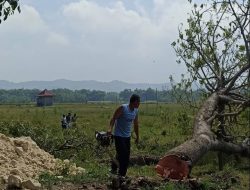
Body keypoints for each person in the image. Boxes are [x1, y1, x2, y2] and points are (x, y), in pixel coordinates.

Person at [107, 94, 140, 177]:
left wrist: (137, 137)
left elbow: (136, 124)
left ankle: (113, 169)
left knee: (121, 153)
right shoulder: (123, 108)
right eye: (138, 102)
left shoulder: (135, 111)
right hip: (118, 135)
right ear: (133, 102)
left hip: (127, 137)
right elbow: (113, 118)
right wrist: (110, 129)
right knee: (124, 156)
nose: (139, 104)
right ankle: (122, 174)